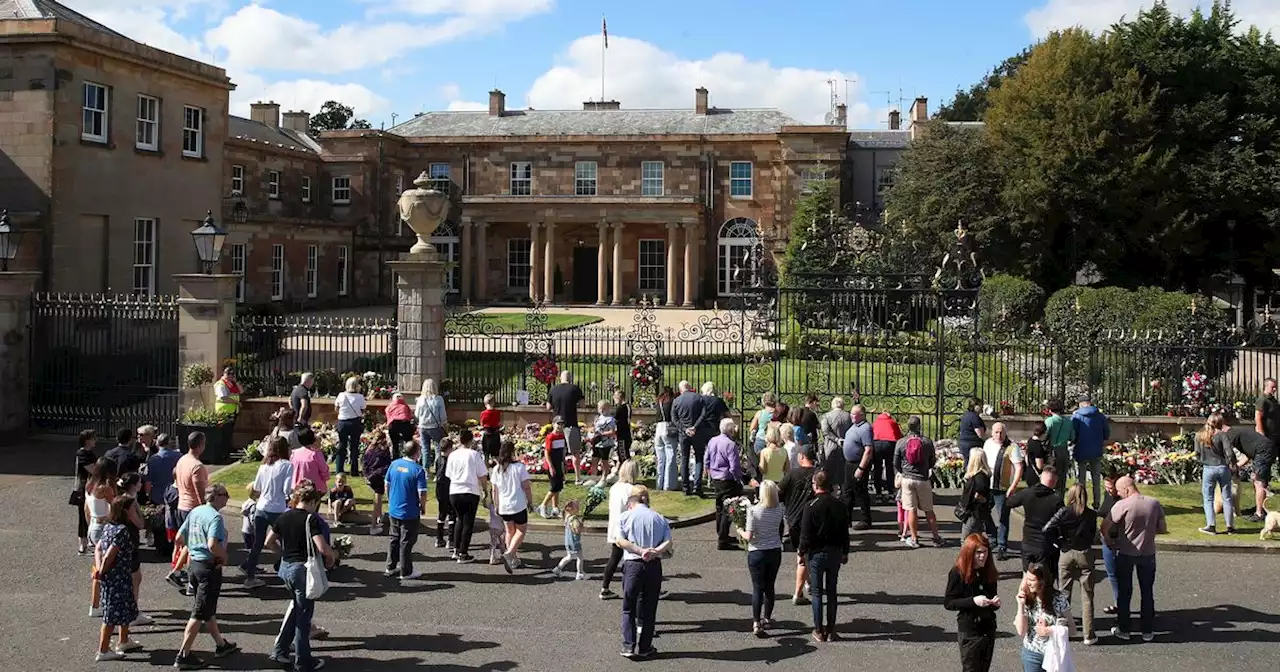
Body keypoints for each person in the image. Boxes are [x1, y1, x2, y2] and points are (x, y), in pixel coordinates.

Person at [264, 479, 335, 671]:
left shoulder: (284, 516)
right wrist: (332, 555)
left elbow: (269, 542)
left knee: (296, 610)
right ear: (312, 501)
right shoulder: (310, 519)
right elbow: (321, 547)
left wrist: (283, 554)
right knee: (303, 618)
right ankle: (303, 661)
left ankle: (280, 651)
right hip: (302, 570)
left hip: (286, 569)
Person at [174, 483, 239, 669]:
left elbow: (179, 538)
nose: (227, 497)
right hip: (208, 568)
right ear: (217, 496)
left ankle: (221, 644)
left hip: (194, 565)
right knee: (199, 612)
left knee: (206, 608)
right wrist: (223, 556)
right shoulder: (215, 518)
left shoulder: (196, 511)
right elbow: (212, 545)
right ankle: (183, 654)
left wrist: (194, 547)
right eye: (225, 494)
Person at [1101, 476, 1166, 641]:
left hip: (1126, 552)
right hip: (1148, 553)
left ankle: (1124, 628)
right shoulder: (1154, 503)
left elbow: (1105, 526)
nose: (1119, 494)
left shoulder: (1122, 505)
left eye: (1120, 491)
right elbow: (1162, 528)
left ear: (1127, 489)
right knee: (1147, 592)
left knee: (1124, 592)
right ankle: (1147, 630)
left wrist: (1110, 542)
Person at [615, 486, 672, 660]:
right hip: (653, 565)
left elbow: (620, 540)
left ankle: (628, 645)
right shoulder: (659, 518)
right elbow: (668, 542)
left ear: (631, 503)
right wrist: (654, 551)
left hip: (633, 565)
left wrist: (639, 550)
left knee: (629, 607)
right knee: (649, 607)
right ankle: (645, 646)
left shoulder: (625, 517)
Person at [1043, 483, 1099, 645]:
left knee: (1063, 593)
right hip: (1085, 553)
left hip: (1066, 553)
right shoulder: (1091, 514)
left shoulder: (1064, 512)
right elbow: (1093, 534)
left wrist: (1058, 542)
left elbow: (1047, 529)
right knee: (1087, 596)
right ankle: (1089, 635)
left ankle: (1063, 632)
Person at [799, 471, 849, 642]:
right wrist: (845, 551)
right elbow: (845, 532)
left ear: (815, 485)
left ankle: (819, 629)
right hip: (835, 551)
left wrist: (801, 552)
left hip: (816, 553)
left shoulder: (810, 506)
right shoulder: (839, 505)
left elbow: (805, 534)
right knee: (832, 591)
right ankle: (832, 629)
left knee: (817, 592)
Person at [92, 494, 142, 662]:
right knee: (111, 615)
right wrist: (103, 569)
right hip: (117, 577)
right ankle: (103, 650)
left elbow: (98, 548)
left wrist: (99, 569)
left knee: (125, 608)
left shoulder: (109, 527)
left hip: (117, 577)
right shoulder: (122, 531)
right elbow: (110, 555)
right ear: (126, 511)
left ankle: (124, 640)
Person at [944, 533, 1001, 672]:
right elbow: (949, 602)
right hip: (970, 630)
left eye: (985, 552)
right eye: (978, 552)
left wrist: (995, 603)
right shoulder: (957, 573)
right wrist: (973, 601)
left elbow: (992, 595)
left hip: (988, 628)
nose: (983, 556)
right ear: (969, 553)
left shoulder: (988, 571)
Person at [738, 480, 784, 637]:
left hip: (757, 552)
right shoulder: (779, 510)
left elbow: (749, 536)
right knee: (770, 586)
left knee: (757, 587)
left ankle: (756, 622)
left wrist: (740, 530)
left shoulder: (754, 511)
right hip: (774, 550)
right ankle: (767, 618)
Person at [167, 432, 210, 592]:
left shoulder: (182, 460)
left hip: (181, 506)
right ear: (200, 445)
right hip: (193, 508)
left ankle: (179, 572)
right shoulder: (197, 466)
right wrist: (206, 510)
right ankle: (184, 577)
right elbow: (200, 493)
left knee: (185, 543)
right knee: (195, 547)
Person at [895, 415, 945, 548]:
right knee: (929, 510)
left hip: (907, 479)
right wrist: (924, 468)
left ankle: (914, 538)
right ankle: (936, 537)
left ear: (908, 427)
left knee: (911, 510)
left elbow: (896, 463)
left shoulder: (901, 442)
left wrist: (904, 471)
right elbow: (932, 461)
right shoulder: (927, 442)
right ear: (919, 426)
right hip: (922, 479)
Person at [384, 438, 428, 581]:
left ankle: (390, 566)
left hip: (394, 508)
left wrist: (390, 500)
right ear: (417, 453)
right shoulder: (418, 470)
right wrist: (423, 506)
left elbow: (387, 484)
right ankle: (406, 571)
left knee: (394, 538)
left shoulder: (394, 464)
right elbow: (422, 492)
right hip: (409, 511)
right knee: (406, 542)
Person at [778, 444, 817, 605]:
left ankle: (806, 583)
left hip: (793, 521)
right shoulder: (818, 475)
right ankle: (799, 592)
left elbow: (779, 493)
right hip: (812, 520)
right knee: (805, 556)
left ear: (801, 457)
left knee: (802, 554)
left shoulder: (791, 474)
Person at [1015, 562, 1072, 672]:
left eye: (1032, 580)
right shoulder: (1027, 599)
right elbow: (1021, 632)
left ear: (1042, 581)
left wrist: (1050, 631)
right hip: (1031, 654)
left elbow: (1072, 630)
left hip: (1054, 654)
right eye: (1027, 579)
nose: (1028, 583)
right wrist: (1021, 605)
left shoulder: (1059, 599)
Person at [1007, 466, 1064, 574]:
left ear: (1041, 477)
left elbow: (1009, 502)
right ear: (1055, 481)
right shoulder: (1056, 499)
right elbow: (1061, 522)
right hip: (1045, 545)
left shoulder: (1028, 493)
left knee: (1027, 576)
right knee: (1042, 580)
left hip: (1027, 543)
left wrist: (1011, 490)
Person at [1215, 422, 1274, 523]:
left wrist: (1227, 465)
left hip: (1263, 451)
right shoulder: (1237, 433)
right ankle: (1260, 508)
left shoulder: (1230, 435)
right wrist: (1237, 466)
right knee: (1258, 481)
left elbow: (1229, 454)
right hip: (1264, 449)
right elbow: (1248, 455)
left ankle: (1259, 514)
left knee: (1259, 481)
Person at [981, 421, 1024, 560]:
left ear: (1005, 433)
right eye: (996, 432)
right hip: (988, 485)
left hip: (1003, 488)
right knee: (983, 512)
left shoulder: (1012, 447)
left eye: (1001, 432)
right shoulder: (987, 443)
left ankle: (1002, 546)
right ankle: (993, 536)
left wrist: (1013, 486)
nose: (999, 435)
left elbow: (1019, 468)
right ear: (991, 432)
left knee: (1003, 517)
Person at [445, 429, 488, 563]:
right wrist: (485, 490)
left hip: (455, 490)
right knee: (468, 522)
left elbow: (449, 474)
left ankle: (456, 549)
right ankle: (463, 552)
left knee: (460, 520)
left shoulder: (452, 455)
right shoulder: (474, 455)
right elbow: (482, 475)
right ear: (470, 441)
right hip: (470, 490)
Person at [491, 439, 533, 573]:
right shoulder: (519, 467)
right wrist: (530, 501)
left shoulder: (496, 469)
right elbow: (526, 487)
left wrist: (496, 505)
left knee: (509, 531)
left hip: (504, 506)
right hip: (518, 504)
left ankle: (513, 558)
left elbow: (494, 490)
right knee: (521, 530)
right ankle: (510, 553)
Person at [602, 460, 641, 598]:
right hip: (628, 529)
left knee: (614, 558)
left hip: (615, 527)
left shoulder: (614, 487)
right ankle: (643, 589)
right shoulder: (631, 489)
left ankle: (605, 588)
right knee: (639, 559)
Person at [706, 418, 744, 551]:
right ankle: (722, 539)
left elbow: (707, 459)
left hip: (716, 478)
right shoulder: (730, 444)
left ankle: (722, 534)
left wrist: (709, 472)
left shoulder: (712, 440)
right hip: (727, 479)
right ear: (730, 430)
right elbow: (734, 467)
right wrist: (738, 479)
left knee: (719, 507)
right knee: (727, 509)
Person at [1196, 413, 1236, 534]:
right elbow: (1229, 452)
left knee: (1208, 498)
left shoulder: (1199, 435)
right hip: (1223, 467)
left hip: (1208, 468)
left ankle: (1211, 525)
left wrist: (1202, 461)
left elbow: (1197, 453)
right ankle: (1230, 527)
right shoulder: (1222, 435)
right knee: (1227, 498)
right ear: (1220, 423)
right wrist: (1232, 464)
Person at [1071, 394, 1111, 509]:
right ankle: (1097, 503)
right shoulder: (1100, 416)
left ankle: (1080, 502)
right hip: (1096, 450)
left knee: (1080, 479)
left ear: (1081, 404)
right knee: (1096, 479)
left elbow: (1073, 434)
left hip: (1081, 450)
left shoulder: (1077, 416)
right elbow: (1106, 434)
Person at [547, 371, 586, 484]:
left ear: (560, 378)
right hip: (570, 424)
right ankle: (577, 478)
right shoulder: (575, 389)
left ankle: (562, 477)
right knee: (575, 452)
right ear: (571, 378)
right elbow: (583, 405)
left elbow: (548, 406)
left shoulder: (553, 389)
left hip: (557, 425)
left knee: (559, 452)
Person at [671, 380, 707, 497]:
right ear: (689, 387)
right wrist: (695, 427)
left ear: (681, 389)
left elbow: (674, 418)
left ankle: (685, 487)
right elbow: (703, 414)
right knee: (699, 458)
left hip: (683, 433)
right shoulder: (699, 398)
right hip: (698, 432)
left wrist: (684, 428)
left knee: (684, 459)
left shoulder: (677, 401)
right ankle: (697, 486)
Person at [842, 404, 875, 530]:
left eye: (854, 414)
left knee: (860, 492)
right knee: (847, 492)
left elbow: (868, 450)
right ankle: (847, 519)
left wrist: (861, 468)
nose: (851, 416)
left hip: (858, 464)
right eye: (851, 413)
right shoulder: (855, 426)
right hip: (849, 463)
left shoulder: (865, 428)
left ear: (861, 415)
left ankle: (866, 520)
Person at [1097, 472, 1122, 616]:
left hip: (1118, 540)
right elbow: (1103, 511)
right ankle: (1118, 603)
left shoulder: (1122, 501)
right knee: (1112, 574)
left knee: (1121, 574)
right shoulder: (1108, 496)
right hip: (1106, 538)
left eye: (1110, 488)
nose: (1107, 490)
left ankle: (1121, 604)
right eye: (1105, 487)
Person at [959, 448, 996, 540]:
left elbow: (980, 495)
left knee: (966, 538)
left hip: (974, 511)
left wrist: (973, 499)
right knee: (976, 536)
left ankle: (968, 554)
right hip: (976, 511)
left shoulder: (979, 477)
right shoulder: (982, 475)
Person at [333, 376, 366, 476]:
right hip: (355, 422)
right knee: (354, 447)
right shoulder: (360, 397)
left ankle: (339, 469)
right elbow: (363, 410)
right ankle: (354, 470)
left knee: (342, 445)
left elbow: (336, 408)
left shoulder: (341, 395)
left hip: (343, 422)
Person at [362, 431, 394, 536]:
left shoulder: (369, 449)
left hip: (370, 476)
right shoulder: (383, 451)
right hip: (378, 476)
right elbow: (387, 464)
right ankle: (373, 526)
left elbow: (364, 464)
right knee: (377, 500)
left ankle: (379, 519)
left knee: (378, 499)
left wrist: (366, 476)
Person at [820, 397, 853, 495]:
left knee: (831, 472)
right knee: (843, 472)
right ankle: (844, 495)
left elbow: (825, 432)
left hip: (831, 447)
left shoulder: (826, 416)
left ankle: (833, 494)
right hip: (845, 446)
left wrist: (836, 439)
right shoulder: (848, 416)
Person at [73, 429, 99, 555]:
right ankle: (82, 544)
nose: (95, 440)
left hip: (91, 486)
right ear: (87, 440)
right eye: (93, 438)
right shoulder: (82, 453)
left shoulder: (90, 453)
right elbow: (93, 470)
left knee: (92, 514)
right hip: (84, 487)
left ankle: (90, 541)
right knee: (84, 515)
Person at [537, 417, 568, 518]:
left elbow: (563, 450)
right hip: (551, 465)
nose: (560, 426)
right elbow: (546, 452)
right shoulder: (550, 437)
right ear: (553, 424)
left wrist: (564, 462)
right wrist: (551, 466)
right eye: (558, 424)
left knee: (558, 487)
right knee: (555, 487)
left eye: (561, 424)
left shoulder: (562, 436)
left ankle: (555, 508)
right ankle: (543, 505)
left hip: (558, 464)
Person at [415, 378, 447, 472]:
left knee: (425, 449)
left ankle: (426, 470)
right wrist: (443, 423)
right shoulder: (439, 399)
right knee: (438, 448)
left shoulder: (420, 399)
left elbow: (417, 414)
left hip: (423, 427)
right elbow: (443, 415)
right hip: (435, 427)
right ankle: (438, 469)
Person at [871, 411, 902, 502]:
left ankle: (878, 493)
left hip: (877, 444)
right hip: (890, 444)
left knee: (877, 468)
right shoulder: (892, 422)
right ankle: (890, 492)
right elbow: (898, 435)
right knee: (889, 468)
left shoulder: (876, 422)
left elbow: (871, 433)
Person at [1043, 399, 1074, 493]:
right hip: (1064, 450)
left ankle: (1049, 497)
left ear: (1050, 409)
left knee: (1050, 475)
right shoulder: (1069, 421)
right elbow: (1072, 437)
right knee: (1062, 477)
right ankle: (1060, 498)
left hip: (1052, 450)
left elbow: (1044, 436)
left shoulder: (1049, 421)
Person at [552, 499, 586, 580]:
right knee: (580, 558)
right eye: (576, 507)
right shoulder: (574, 519)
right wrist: (581, 525)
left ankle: (558, 568)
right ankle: (579, 573)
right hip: (575, 542)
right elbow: (577, 531)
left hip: (568, 542)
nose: (578, 509)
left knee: (569, 557)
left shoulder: (567, 517)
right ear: (570, 509)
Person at [653, 386, 680, 492]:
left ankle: (659, 483)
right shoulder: (671, 401)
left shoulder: (658, 402)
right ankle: (669, 484)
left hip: (658, 428)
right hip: (668, 428)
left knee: (660, 459)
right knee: (670, 457)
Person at [289, 428, 330, 493]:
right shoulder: (315, 454)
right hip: (314, 488)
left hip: (297, 487)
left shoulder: (294, 453)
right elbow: (324, 471)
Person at [433, 438, 456, 549]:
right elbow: (445, 475)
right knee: (452, 514)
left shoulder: (438, 460)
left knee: (442, 513)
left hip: (439, 490)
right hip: (447, 489)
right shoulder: (448, 461)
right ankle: (451, 539)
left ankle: (439, 538)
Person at [590, 399, 618, 484]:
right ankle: (593, 478)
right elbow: (594, 428)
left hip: (605, 444)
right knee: (594, 460)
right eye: (600, 408)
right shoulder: (597, 418)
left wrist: (602, 434)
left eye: (603, 408)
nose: (601, 410)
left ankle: (604, 478)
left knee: (604, 461)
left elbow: (612, 432)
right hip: (596, 442)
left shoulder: (610, 419)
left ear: (608, 408)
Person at [748, 392, 778, 461]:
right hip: (774, 441)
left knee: (760, 463)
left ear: (763, 401)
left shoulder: (760, 413)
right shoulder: (778, 414)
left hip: (760, 440)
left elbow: (752, 428)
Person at [1023, 421, 1049, 487]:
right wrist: (1048, 465)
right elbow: (1039, 466)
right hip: (1036, 477)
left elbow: (1026, 458)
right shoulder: (1038, 446)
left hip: (1029, 472)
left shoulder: (1030, 440)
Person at [1255, 377, 1280, 444]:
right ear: (1266, 386)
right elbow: (1258, 417)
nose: (1275, 389)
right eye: (1272, 387)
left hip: (1276, 434)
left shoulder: (1273, 400)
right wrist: (1261, 433)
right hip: (1268, 435)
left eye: (1276, 387)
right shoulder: (1262, 400)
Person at [480, 393, 503, 462]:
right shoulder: (497, 412)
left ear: (485, 403)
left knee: (486, 455)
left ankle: (486, 470)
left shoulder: (483, 413)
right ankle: (500, 469)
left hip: (487, 434)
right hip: (495, 434)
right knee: (496, 455)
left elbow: (482, 423)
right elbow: (499, 422)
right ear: (493, 402)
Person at [613, 389, 633, 464]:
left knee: (623, 455)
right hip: (627, 432)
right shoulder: (628, 407)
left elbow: (614, 420)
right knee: (625, 453)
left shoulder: (620, 408)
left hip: (622, 434)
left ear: (619, 397)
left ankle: (627, 471)